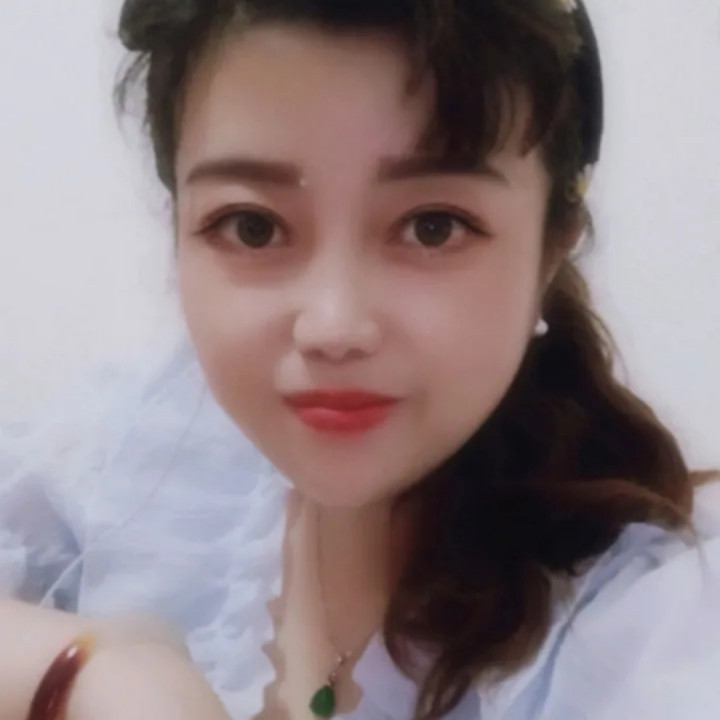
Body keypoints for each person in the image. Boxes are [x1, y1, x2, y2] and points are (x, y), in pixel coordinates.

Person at [1, 1, 719, 718]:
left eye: (432, 227)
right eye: (252, 227)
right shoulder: (149, 454)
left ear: (552, 247)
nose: (333, 326)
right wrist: (87, 671)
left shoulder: (650, 629)